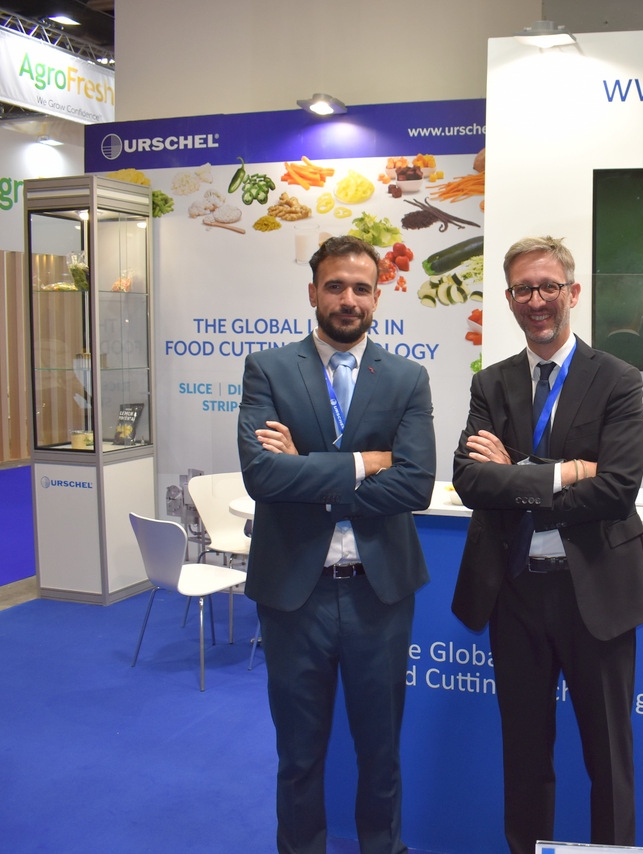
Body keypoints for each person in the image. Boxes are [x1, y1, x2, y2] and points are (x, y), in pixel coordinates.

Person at [451, 235, 643, 854]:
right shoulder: (491, 383)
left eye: (548, 286)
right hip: (514, 592)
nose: (536, 300)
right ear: (509, 298)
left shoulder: (617, 379)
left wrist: (515, 476)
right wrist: (567, 471)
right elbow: (469, 481)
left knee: (609, 759)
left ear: (572, 292)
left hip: (595, 591)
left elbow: (617, 489)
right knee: (523, 753)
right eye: (523, 289)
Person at [237, 235, 435, 854]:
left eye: (361, 288)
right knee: (298, 755)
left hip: (380, 594)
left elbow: (415, 484)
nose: (348, 299)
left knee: (381, 753)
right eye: (335, 286)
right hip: (295, 595)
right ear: (313, 292)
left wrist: (309, 471)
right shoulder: (269, 369)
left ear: (378, 297)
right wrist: (365, 463)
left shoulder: (406, 378)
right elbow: (262, 476)